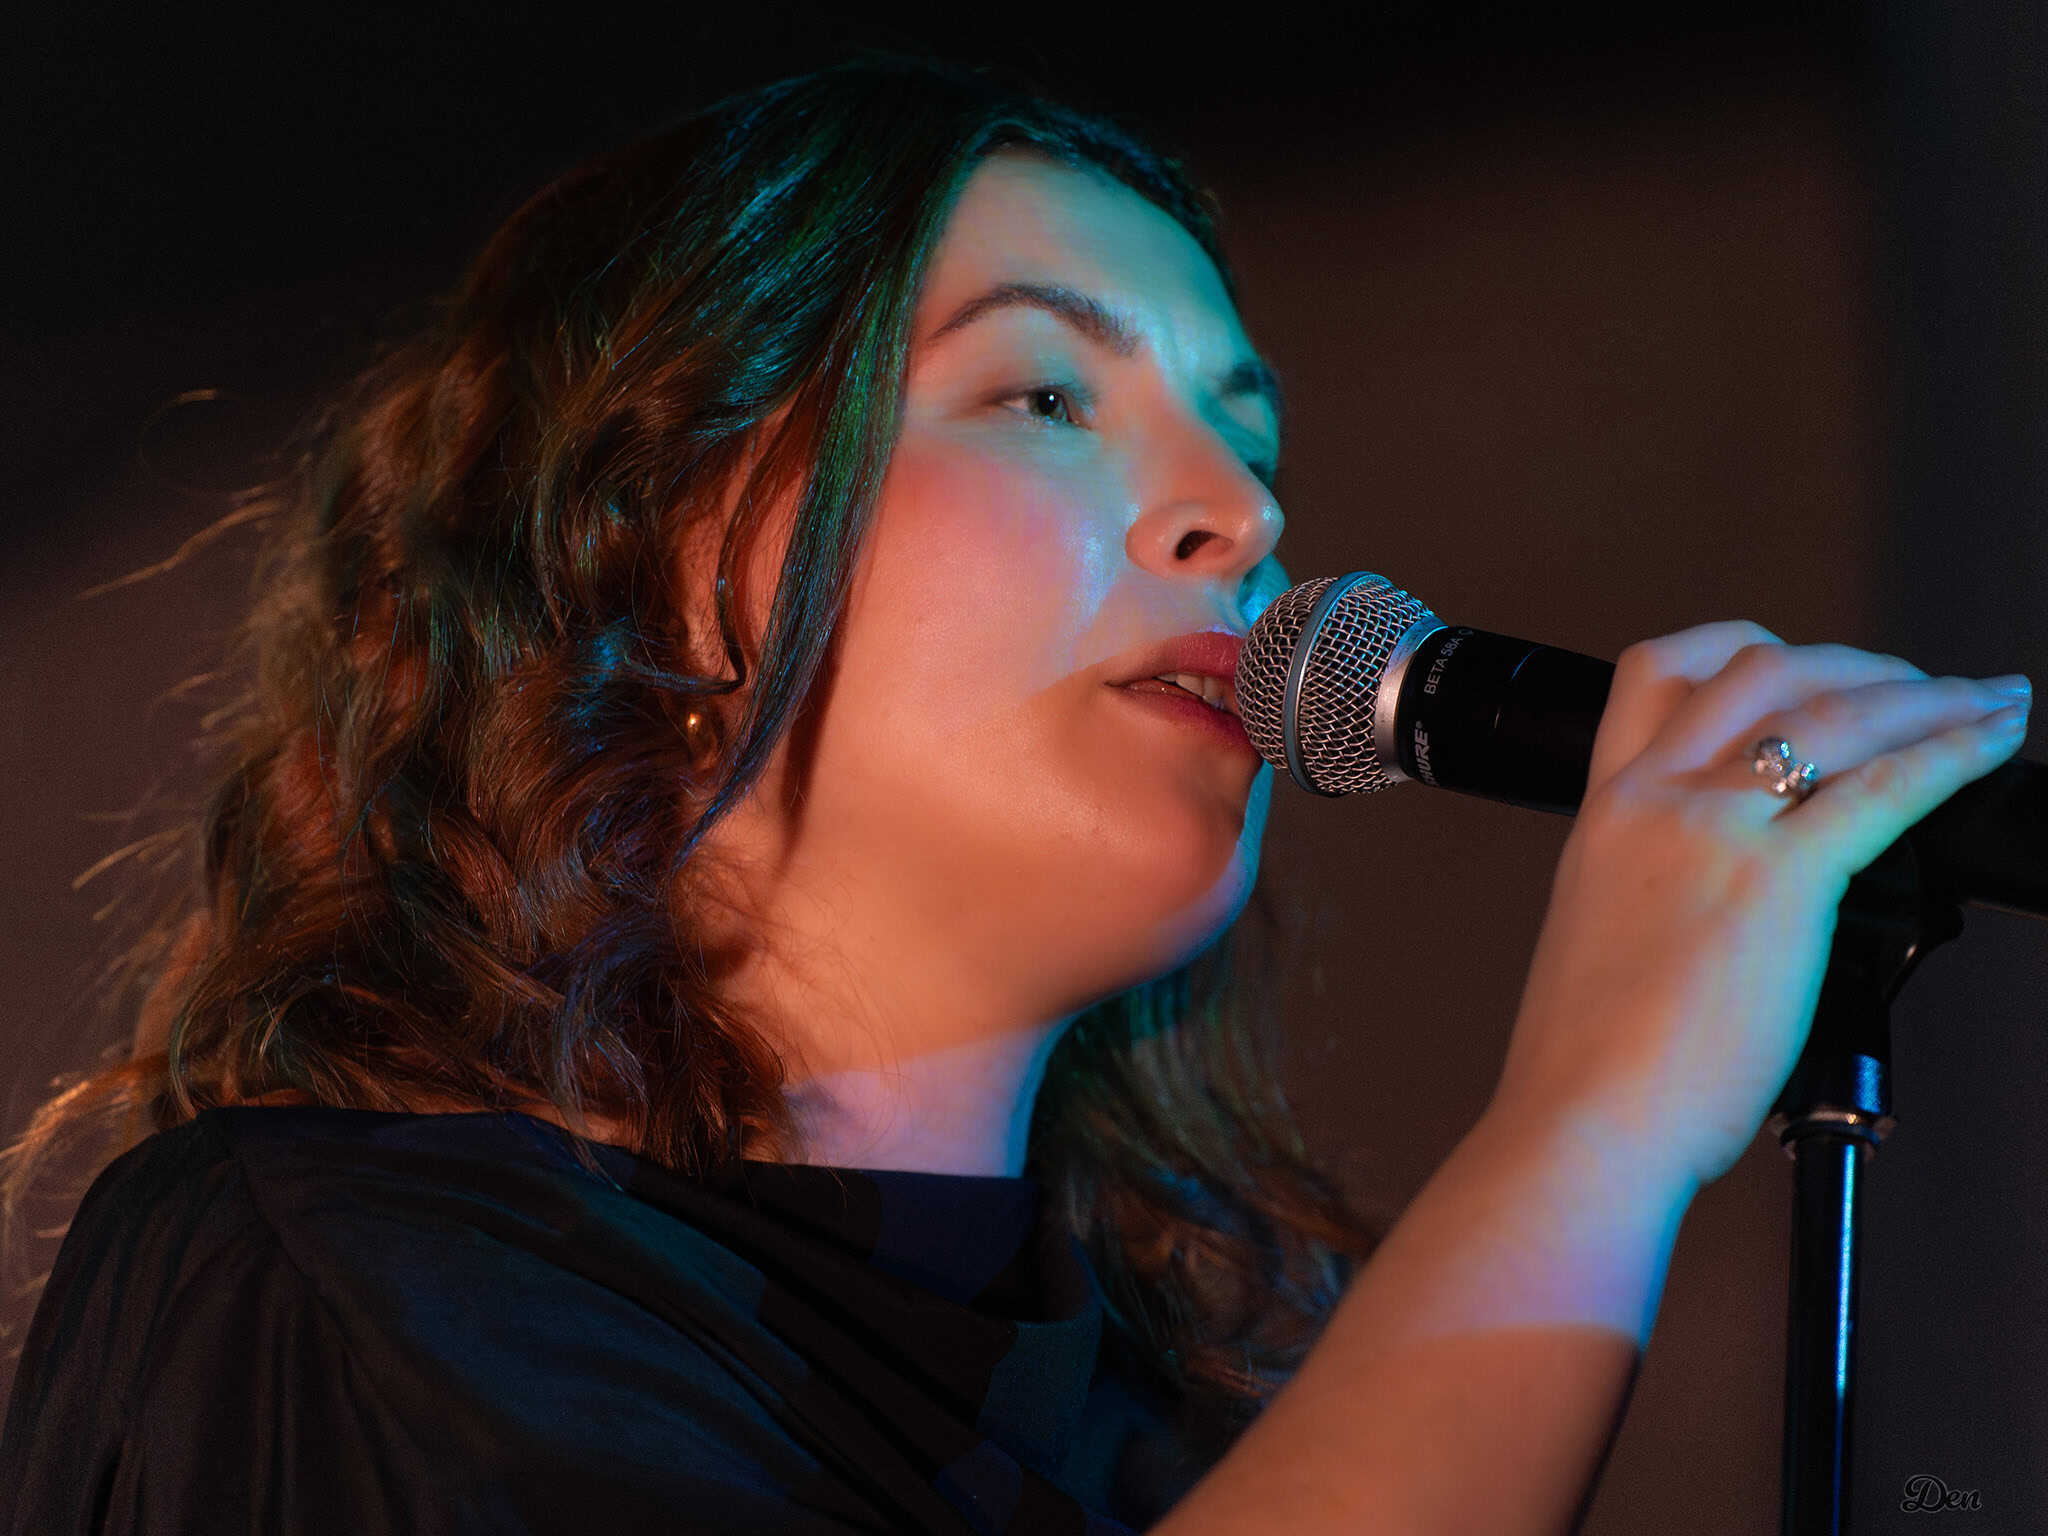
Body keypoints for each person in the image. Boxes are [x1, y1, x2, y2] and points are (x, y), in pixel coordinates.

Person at [0, 51, 2032, 1536]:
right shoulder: (323, 1284)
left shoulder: (1182, 1439)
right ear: (648, 552)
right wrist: (1598, 1123)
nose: (1240, 515)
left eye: (1252, 445)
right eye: (1046, 392)